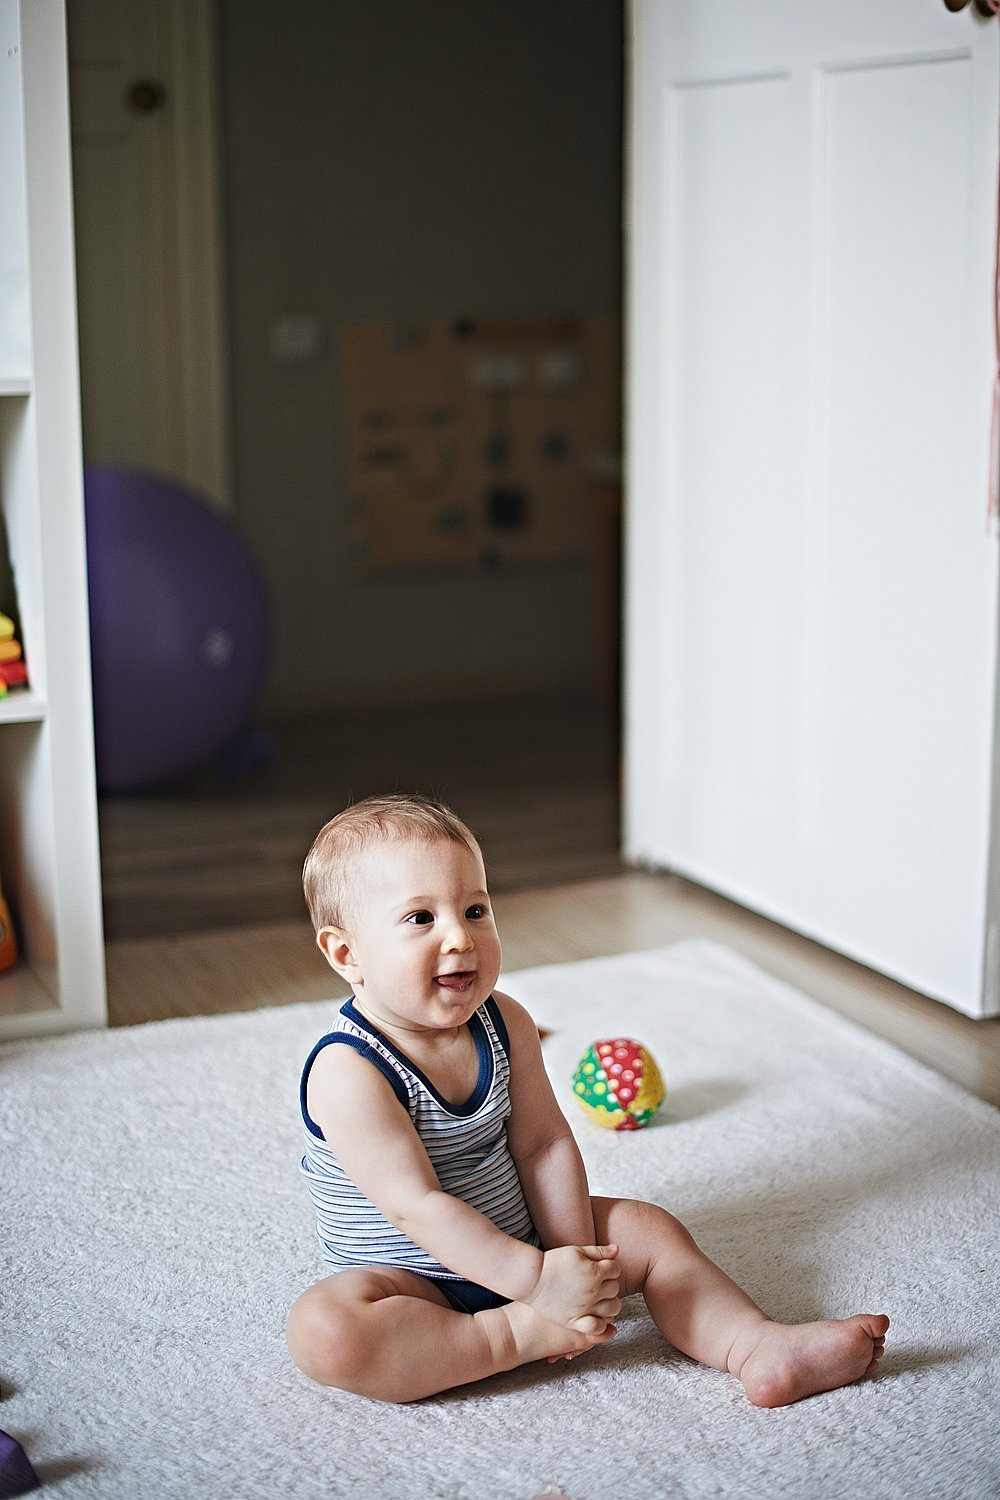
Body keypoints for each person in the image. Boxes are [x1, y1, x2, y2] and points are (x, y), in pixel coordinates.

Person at [286, 794, 889, 1405]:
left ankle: (754, 1345)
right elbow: (419, 1206)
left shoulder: (504, 1022)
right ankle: (512, 1335)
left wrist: (577, 1262)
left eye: (474, 909)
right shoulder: (349, 1072)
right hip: (414, 1281)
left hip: (525, 1235)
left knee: (650, 1232)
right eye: (420, 918)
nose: (460, 938)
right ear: (346, 954)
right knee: (327, 1333)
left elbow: (543, 1144)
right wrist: (537, 1287)